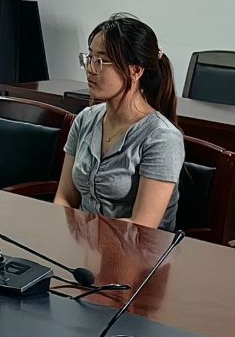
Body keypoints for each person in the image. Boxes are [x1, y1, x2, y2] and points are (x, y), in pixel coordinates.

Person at [54, 14, 185, 230]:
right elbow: (65, 198)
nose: (90, 69)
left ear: (136, 71)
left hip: (136, 247)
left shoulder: (162, 138)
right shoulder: (85, 119)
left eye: (101, 61)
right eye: (89, 58)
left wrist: (85, 235)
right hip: (83, 242)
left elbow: (142, 225)